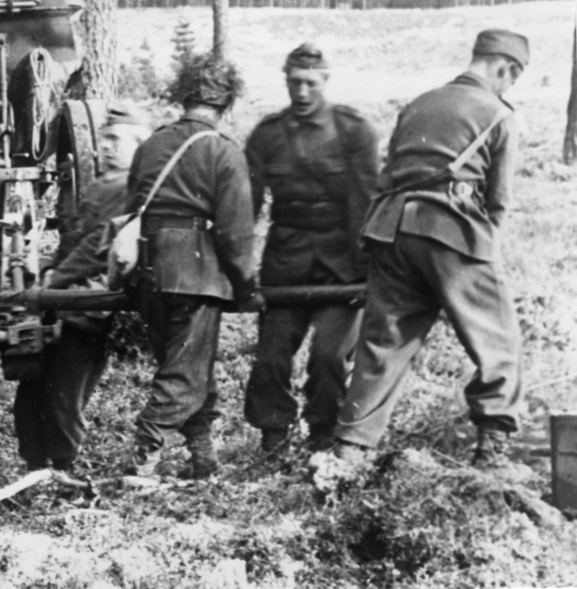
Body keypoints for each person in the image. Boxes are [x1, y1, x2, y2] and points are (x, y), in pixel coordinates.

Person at [334, 30, 529, 468]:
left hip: (391, 231)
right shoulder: (500, 115)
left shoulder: (418, 104)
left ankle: (350, 451)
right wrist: (485, 259)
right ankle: (492, 451)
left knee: (383, 343)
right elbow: (498, 201)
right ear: (505, 67)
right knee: (500, 339)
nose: (509, 87)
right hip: (453, 231)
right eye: (512, 78)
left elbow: (386, 179)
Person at [124, 55, 261, 479]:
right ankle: (142, 460)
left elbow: (131, 205)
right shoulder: (223, 151)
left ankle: (204, 458)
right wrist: (246, 285)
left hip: (148, 268)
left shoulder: (151, 145)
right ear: (226, 105)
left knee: (186, 366)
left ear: (184, 97)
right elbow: (235, 233)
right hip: (195, 273)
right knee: (184, 374)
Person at [243, 44, 380, 453]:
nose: (302, 92)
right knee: (271, 356)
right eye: (294, 82)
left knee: (330, 357)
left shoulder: (353, 130)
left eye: (310, 83)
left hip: (342, 266)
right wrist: (239, 267)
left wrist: (367, 272)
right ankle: (273, 437)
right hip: (285, 261)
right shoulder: (267, 135)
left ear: (325, 81)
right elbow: (247, 207)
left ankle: (323, 435)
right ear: (285, 81)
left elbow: (366, 203)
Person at [13, 103, 152, 473]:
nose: (105, 146)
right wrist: (49, 272)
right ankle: (36, 468)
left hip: (93, 303)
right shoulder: (101, 186)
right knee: (32, 390)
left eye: (116, 140)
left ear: (141, 145)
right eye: (104, 139)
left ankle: (63, 470)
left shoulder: (136, 189)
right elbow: (72, 240)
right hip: (60, 299)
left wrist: (54, 280)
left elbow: (97, 247)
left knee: (63, 393)